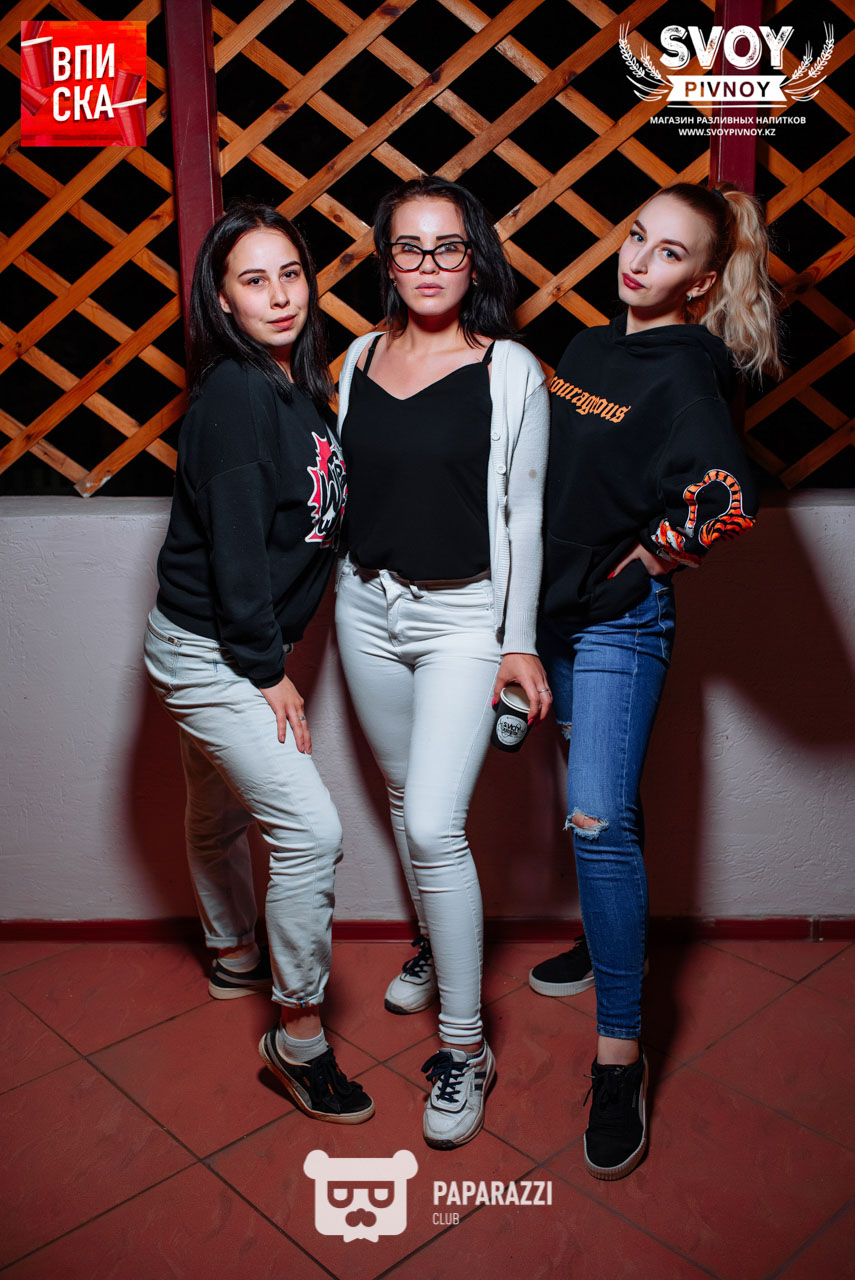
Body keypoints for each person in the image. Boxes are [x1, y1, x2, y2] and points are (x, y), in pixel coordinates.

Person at [529, 182, 780, 1179]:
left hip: (617, 625)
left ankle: (619, 1056)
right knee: (600, 808)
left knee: (597, 820)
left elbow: (726, 496)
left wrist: (643, 563)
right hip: (552, 619)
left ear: (701, 283)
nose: (637, 260)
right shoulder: (588, 349)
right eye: (636, 236)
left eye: (669, 252)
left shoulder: (687, 374)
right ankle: (608, 939)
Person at [143, 201, 372, 1125]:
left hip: (220, 643)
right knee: (309, 831)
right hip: (213, 651)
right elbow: (238, 553)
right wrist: (266, 668)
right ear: (222, 301)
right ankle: (299, 1037)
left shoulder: (297, 389)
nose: (279, 296)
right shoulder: (236, 397)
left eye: (290, 274)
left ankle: (233, 952)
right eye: (253, 280)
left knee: (217, 807)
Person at [334, 176, 551, 1147]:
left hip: (464, 617)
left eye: (447, 246)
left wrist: (518, 640)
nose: (428, 265)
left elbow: (525, 516)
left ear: (474, 258)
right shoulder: (355, 357)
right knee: (398, 795)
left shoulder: (510, 369)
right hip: (363, 605)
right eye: (409, 247)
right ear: (386, 260)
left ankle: (465, 1047)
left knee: (432, 823)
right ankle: (431, 940)